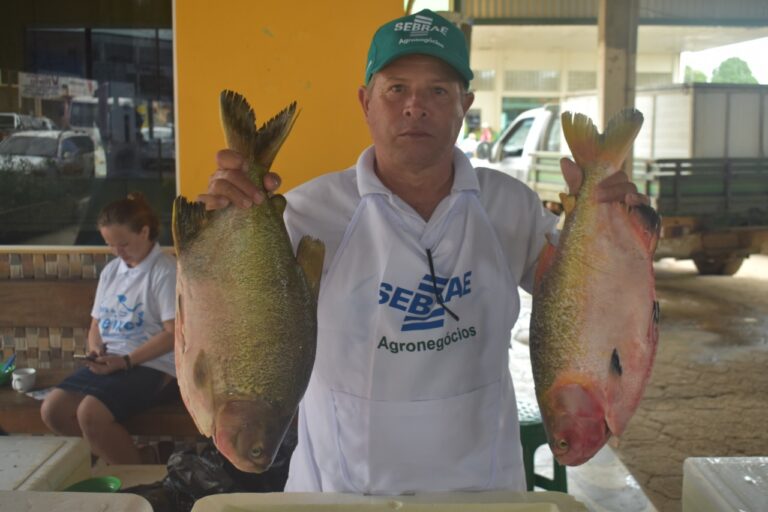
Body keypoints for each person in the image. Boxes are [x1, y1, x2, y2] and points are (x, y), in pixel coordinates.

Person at [199, 9, 648, 494]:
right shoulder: (306, 211)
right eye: (396, 89)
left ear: (464, 105)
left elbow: (587, 310)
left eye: (438, 91)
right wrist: (219, 228)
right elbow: (231, 323)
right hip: (340, 496)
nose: (415, 106)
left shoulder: (509, 205)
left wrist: (618, 231)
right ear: (365, 101)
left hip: (484, 495)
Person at [41, 193, 178, 465]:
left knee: (89, 414)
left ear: (144, 232)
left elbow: (173, 334)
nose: (117, 252)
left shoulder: (165, 270)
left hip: (152, 365)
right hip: (111, 361)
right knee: (53, 409)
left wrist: (126, 361)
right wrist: (95, 350)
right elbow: (96, 323)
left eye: (123, 244)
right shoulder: (112, 271)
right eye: (110, 245)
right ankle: (137, 459)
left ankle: (133, 477)